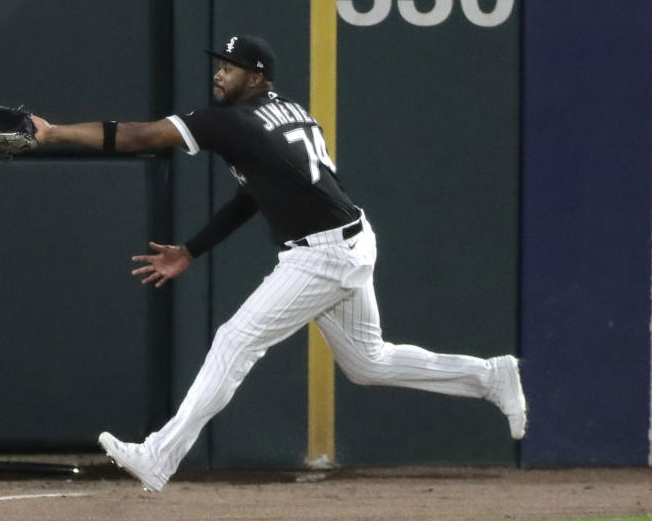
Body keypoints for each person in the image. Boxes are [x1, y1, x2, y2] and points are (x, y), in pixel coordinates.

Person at [30, 34, 527, 492]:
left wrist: (53, 134)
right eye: (220, 64)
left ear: (259, 76)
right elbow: (254, 196)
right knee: (367, 363)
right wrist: (192, 249)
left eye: (233, 66)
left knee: (234, 340)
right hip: (350, 240)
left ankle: (160, 455)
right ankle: (490, 375)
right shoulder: (289, 110)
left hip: (324, 255)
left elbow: (136, 136)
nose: (221, 73)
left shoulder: (228, 121)